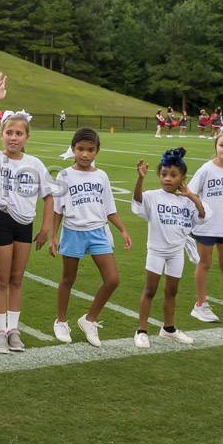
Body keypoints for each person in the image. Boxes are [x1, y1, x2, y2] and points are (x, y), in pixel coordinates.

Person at [0, 74, 61, 354]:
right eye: (9, 132)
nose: (13, 137)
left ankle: (14, 329)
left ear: (27, 137)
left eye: (19, 133)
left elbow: (49, 196)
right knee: (1, 279)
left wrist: (46, 228)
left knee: (17, 278)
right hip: (2, 221)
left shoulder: (35, 163)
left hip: (25, 226)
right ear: (2, 134)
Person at [48, 128, 132, 346]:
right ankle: (61, 321)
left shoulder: (101, 175)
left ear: (97, 151)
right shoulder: (64, 175)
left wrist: (122, 229)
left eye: (90, 150)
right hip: (73, 232)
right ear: (73, 149)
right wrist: (53, 236)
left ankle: (89, 319)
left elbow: (109, 208)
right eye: (80, 149)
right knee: (68, 278)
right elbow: (57, 210)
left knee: (112, 279)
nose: (85, 154)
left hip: (98, 232)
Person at [131, 149, 208, 348]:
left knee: (172, 291)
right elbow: (138, 202)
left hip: (176, 252)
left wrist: (192, 196)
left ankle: (169, 328)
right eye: (164, 174)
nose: (167, 179)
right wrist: (140, 179)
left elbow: (201, 215)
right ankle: (141, 330)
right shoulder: (153, 196)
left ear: (183, 178)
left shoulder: (186, 200)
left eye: (173, 175)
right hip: (156, 251)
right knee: (150, 290)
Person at [188, 127, 223, 323]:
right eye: (222, 145)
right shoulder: (206, 169)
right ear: (216, 146)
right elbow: (190, 192)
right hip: (206, 227)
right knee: (205, 264)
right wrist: (200, 211)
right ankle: (200, 305)